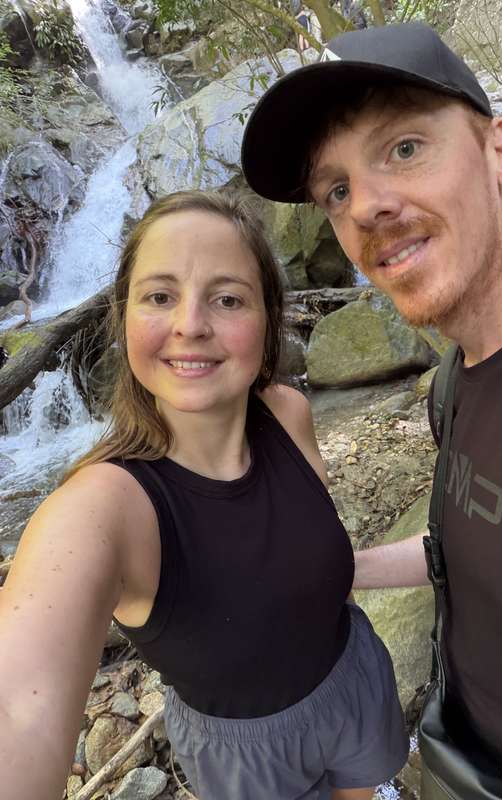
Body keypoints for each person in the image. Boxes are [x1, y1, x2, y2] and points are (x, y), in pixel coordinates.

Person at [240, 21, 502, 800]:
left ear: (501, 152)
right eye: (336, 191)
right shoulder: (455, 379)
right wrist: (343, 572)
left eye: (404, 148)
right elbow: (490, 538)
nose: (366, 207)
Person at [0, 190, 408, 800]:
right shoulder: (104, 506)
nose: (190, 325)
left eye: (228, 299)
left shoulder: (289, 412)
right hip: (246, 753)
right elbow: (18, 711)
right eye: (160, 296)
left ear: (268, 319)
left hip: (354, 678)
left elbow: (306, 553)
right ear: (124, 317)